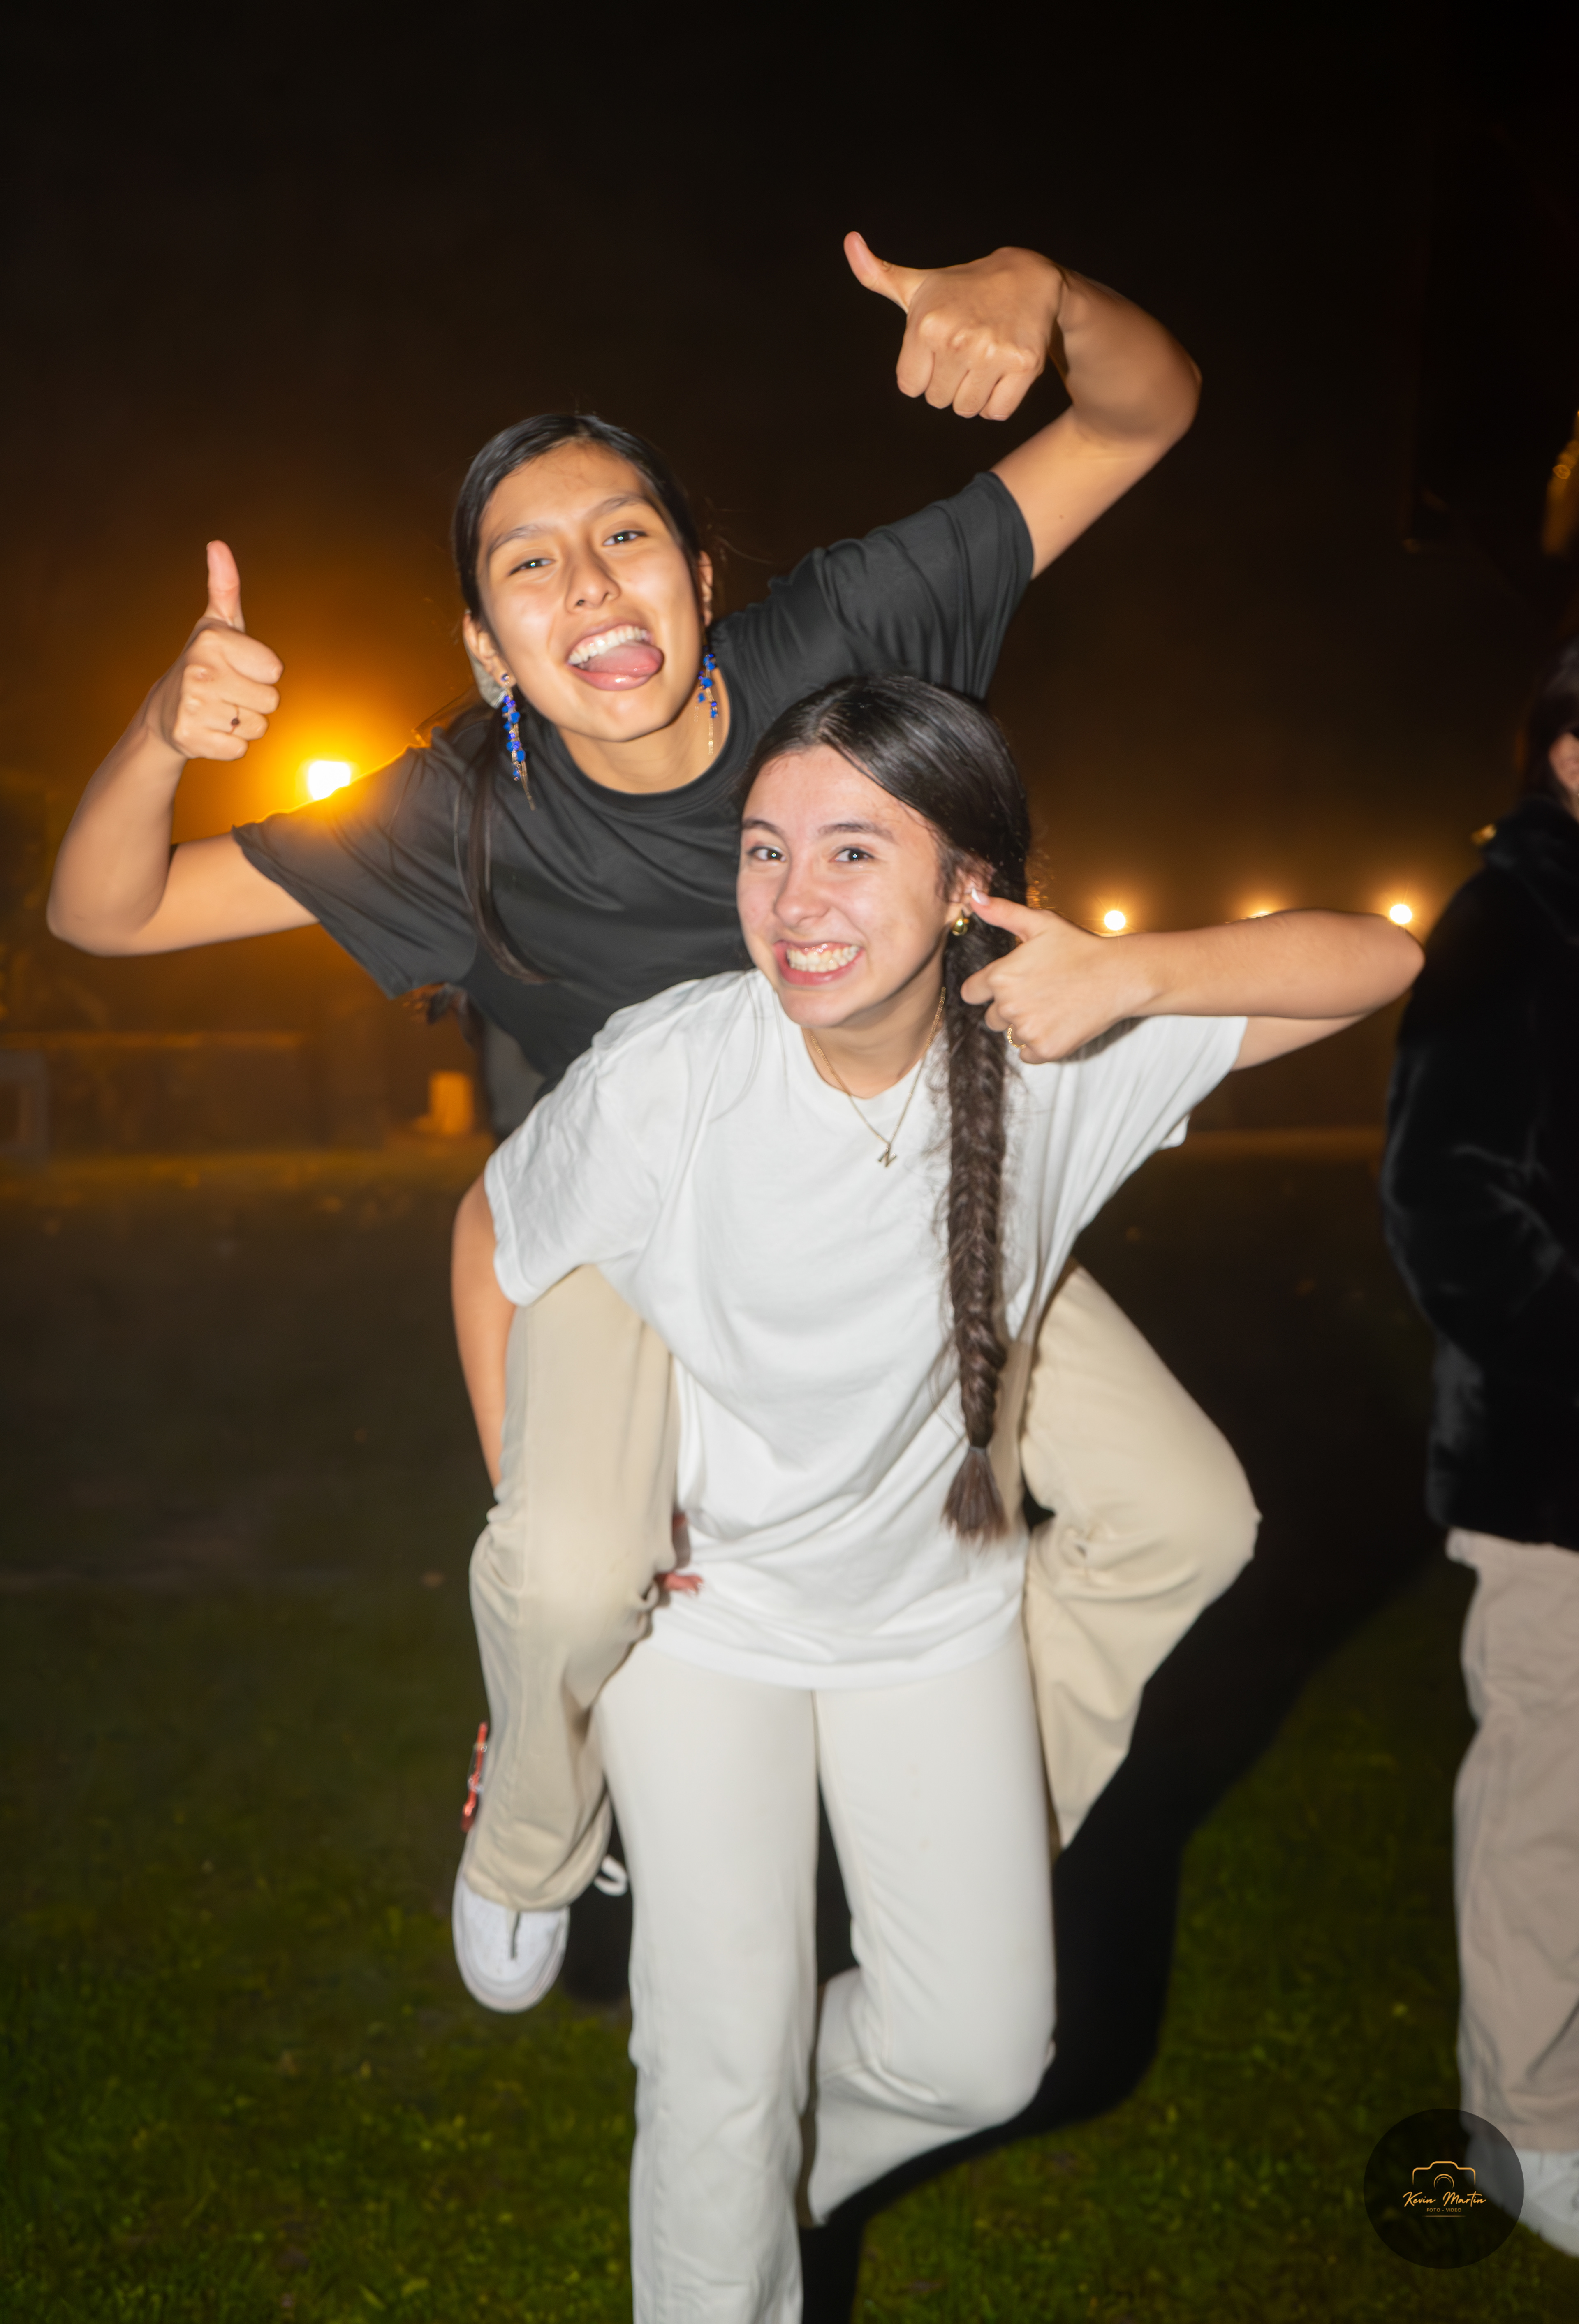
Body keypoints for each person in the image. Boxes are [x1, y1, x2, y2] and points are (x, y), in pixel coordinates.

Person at [46, 233, 1259, 2012]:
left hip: (905, 1175)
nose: (591, 586)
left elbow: (1144, 411)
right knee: (572, 1575)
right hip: (633, 1225)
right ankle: (533, 1830)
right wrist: (165, 728)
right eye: (528, 565)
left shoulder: (843, 634)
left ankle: (989, 1815)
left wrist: (1045, 291)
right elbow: (108, 911)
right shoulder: (460, 816)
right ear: (486, 646)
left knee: (1186, 1512)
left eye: (624, 537)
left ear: (699, 575)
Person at [453, 672, 1421, 2318]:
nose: (794, 900)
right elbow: (494, 1237)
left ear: (969, 883)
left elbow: (1380, 961)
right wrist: (548, 1513)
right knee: (721, 2074)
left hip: (929, 1622)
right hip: (707, 1631)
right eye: (766, 850)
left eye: (852, 850)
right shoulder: (677, 1071)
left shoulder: (1061, 1058)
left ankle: (746, 2173)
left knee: (978, 2053)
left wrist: (1133, 972)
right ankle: (713, 2153)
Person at [1381, 637, 1579, 2260]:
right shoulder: (1510, 922)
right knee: (1547, 1803)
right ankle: (1530, 2131)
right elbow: (1440, 1192)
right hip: (1556, 1468)